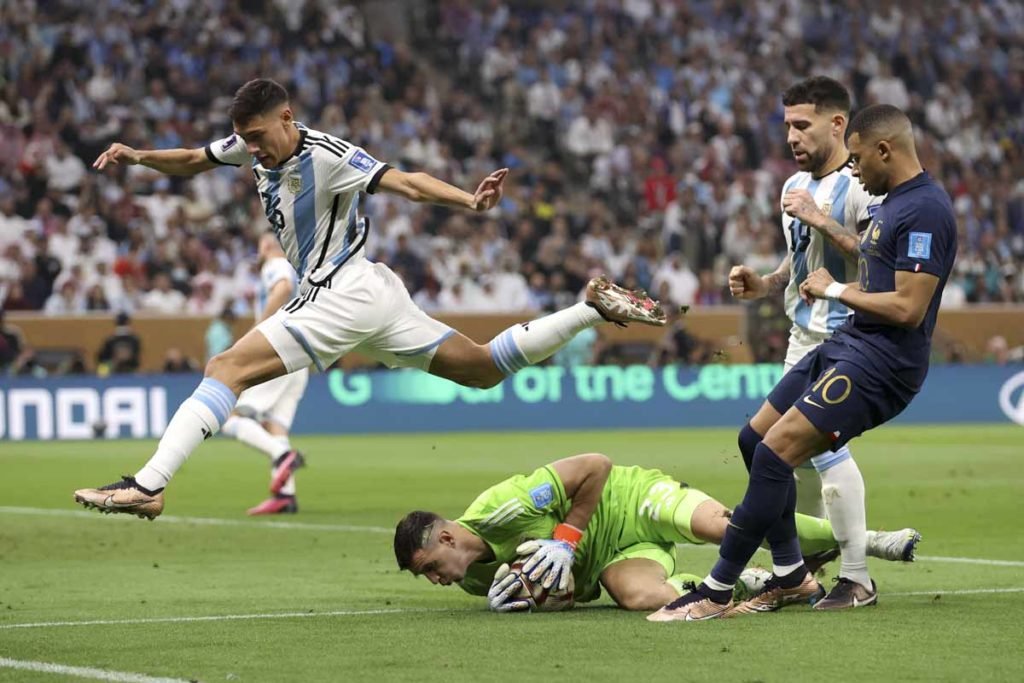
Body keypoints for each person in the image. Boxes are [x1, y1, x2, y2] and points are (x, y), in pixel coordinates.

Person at [74, 79, 665, 520]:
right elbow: (194, 161)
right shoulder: (250, 146)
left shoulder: (328, 154)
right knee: (482, 369)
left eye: (258, 137)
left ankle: (149, 484)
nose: (252, 150)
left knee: (225, 368)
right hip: (372, 291)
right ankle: (592, 308)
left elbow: (404, 182)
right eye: (246, 140)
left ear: (287, 116)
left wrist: (468, 201)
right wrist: (140, 156)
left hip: (341, 289)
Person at [649, 104, 957, 621]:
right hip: (850, 343)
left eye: (859, 159)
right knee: (753, 440)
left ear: (885, 150)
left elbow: (908, 307)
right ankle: (792, 575)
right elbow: (876, 278)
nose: (854, 169)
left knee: (776, 455)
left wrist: (836, 288)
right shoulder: (892, 203)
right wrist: (784, 282)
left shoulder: (925, 209)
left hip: (883, 364)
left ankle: (717, 590)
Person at [727, 77, 895, 601]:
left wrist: (820, 218)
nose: (792, 137)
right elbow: (800, 256)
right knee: (781, 458)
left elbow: (880, 262)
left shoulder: (864, 186)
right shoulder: (790, 189)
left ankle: (857, 576)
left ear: (838, 124)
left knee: (821, 453)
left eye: (803, 125)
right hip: (802, 338)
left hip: (848, 338)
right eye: (787, 127)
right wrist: (767, 282)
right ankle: (798, 572)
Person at [394, 454, 920, 612]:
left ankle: (867, 541)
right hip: (614, 558)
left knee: (725, 527)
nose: (437, 581)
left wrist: (566, 537)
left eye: (431, 570)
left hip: (630, 499)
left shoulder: (501, 508)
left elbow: (595, 466)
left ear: (444, 540)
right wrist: (546, 598)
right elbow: (579, 590)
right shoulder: (472, 582)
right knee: (642, 598)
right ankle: (754, 584)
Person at [219, 233, 310, 515]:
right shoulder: (299, 268)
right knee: (275, 426)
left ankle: (283, 455)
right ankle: (285, 495)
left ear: (269, 245)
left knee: (231, 418)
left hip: (277, 350)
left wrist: (258, 329)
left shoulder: (276, 264)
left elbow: (282, 289)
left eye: (260, 243)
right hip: (300, 353)